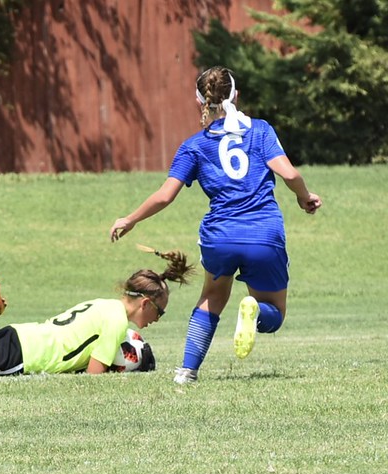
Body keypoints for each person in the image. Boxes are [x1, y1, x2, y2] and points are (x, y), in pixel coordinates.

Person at [108, 66, 323, 385]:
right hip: (262, 233)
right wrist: (305, 197)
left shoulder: (194, 145)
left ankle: (186, 372)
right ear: (236, 96)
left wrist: (130, 219)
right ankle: (254, 311)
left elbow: (166, 195)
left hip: (219, 236)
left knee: (211, 297)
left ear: (199, 102)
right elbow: (289, 175)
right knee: (273, 312)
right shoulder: (260, 130)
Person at [0, 253, 193, 380]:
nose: (159, 318)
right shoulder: (117, 322)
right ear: (145, 303)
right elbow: (93, 378)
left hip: (18, 337)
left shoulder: (103, 304)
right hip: (24, 354)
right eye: (160, 311)